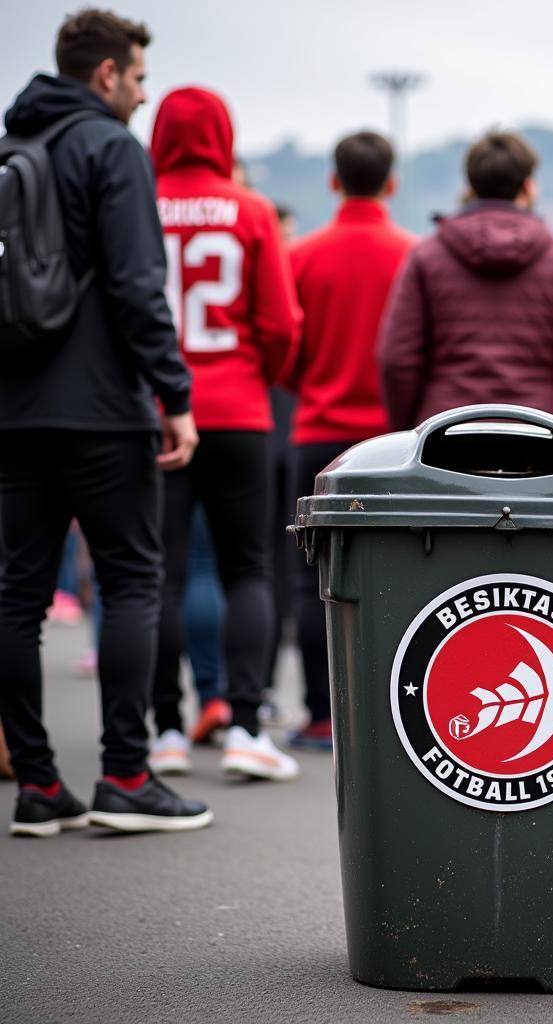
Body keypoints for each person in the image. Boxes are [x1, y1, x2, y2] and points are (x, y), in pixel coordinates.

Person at [0, 9, 210, 834]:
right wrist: (174, 395)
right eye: (140, 77)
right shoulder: (111, 148)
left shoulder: (15, 150)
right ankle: (127, 774)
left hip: (14, 409)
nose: (145, 96)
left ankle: (39, 787)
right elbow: (134, 285)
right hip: (100, 409)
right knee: (128, 578)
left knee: (17, 592)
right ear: (107, 75)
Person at [149, 85, 302, 781]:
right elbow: (280, 325)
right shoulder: (252, 208)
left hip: (153, 412)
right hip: (239, 408)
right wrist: (257, 374)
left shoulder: (133, 203)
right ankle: (245, 723)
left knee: (156, 577)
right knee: (249, 569)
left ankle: (165, 733)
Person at [287, 131, 415, 749]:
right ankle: (388, 715)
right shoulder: (412, 254)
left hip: (317, 433)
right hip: (392, 446)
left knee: (312, 582)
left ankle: (319, 713)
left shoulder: (303, 255)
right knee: (399, 580)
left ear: (333, 181)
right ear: (391, 183)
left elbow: (285, 351)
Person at [379, 130, 553, 433]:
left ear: (470, 186)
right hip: (538, 431)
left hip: (444, 430)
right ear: (528, 186)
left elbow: (396, 359)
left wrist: (407, 431)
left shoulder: (427, 255)